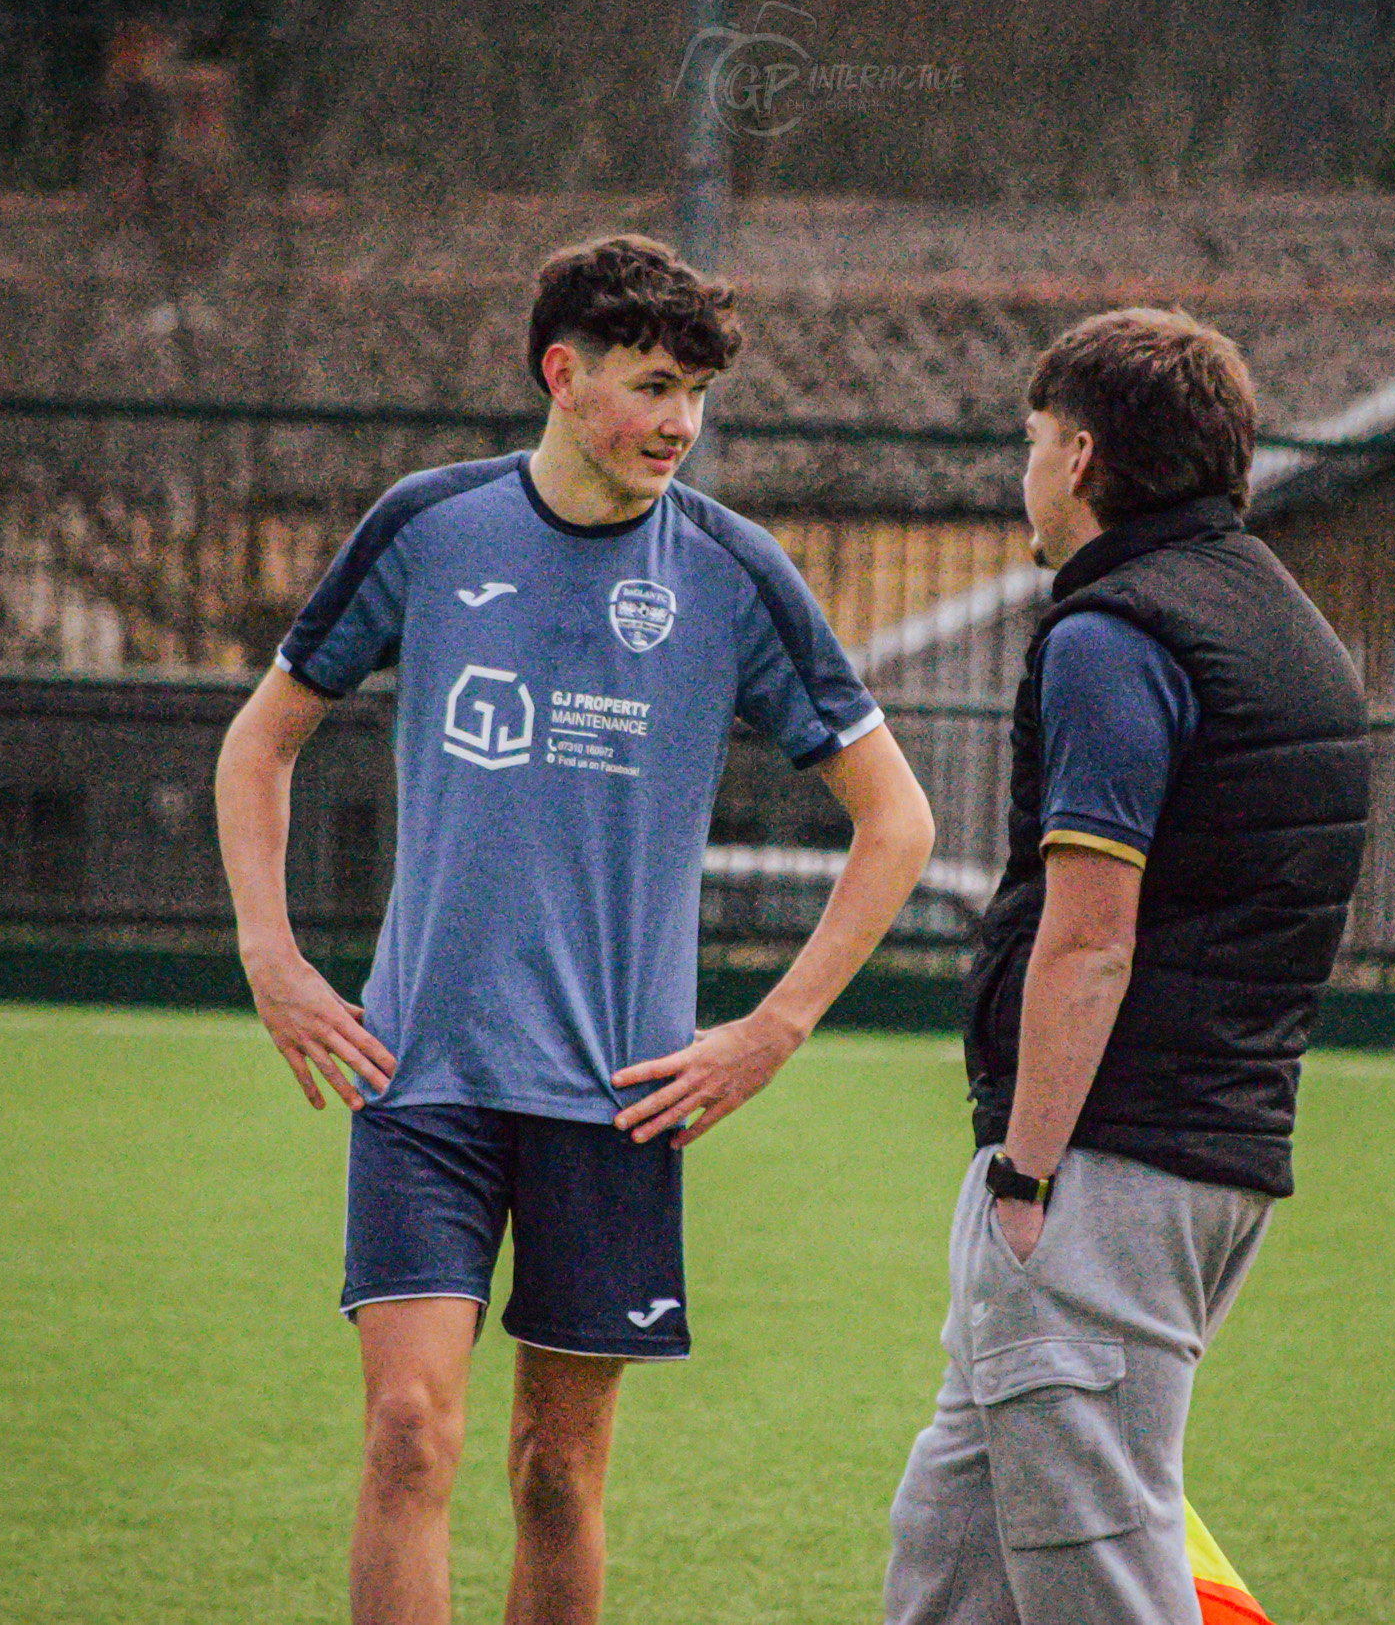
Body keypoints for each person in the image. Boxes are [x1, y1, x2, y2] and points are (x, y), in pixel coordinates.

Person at [216, 233, 934, 1625]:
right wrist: (272, 955)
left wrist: (770, 1031)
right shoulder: (430, 528)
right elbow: (260, 744)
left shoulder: (733, 575)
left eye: (698, 396)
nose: (680, 424)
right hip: (418, 1071)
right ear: (563, 373)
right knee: (408, 1432)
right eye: (655, 385)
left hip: (614, 1099)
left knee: (556, 1468)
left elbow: (896, 820)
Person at [881, 307, 1369, 1625]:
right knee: (954, 1534)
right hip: (1212, 1160)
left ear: (1082, 454)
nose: (1024, 469)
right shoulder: (1287, 626)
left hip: (1104, 1169)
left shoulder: (1112, 637)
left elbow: (1091, 936)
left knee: (1102, 1565)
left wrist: (1027, 1171)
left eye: (1032, 439)